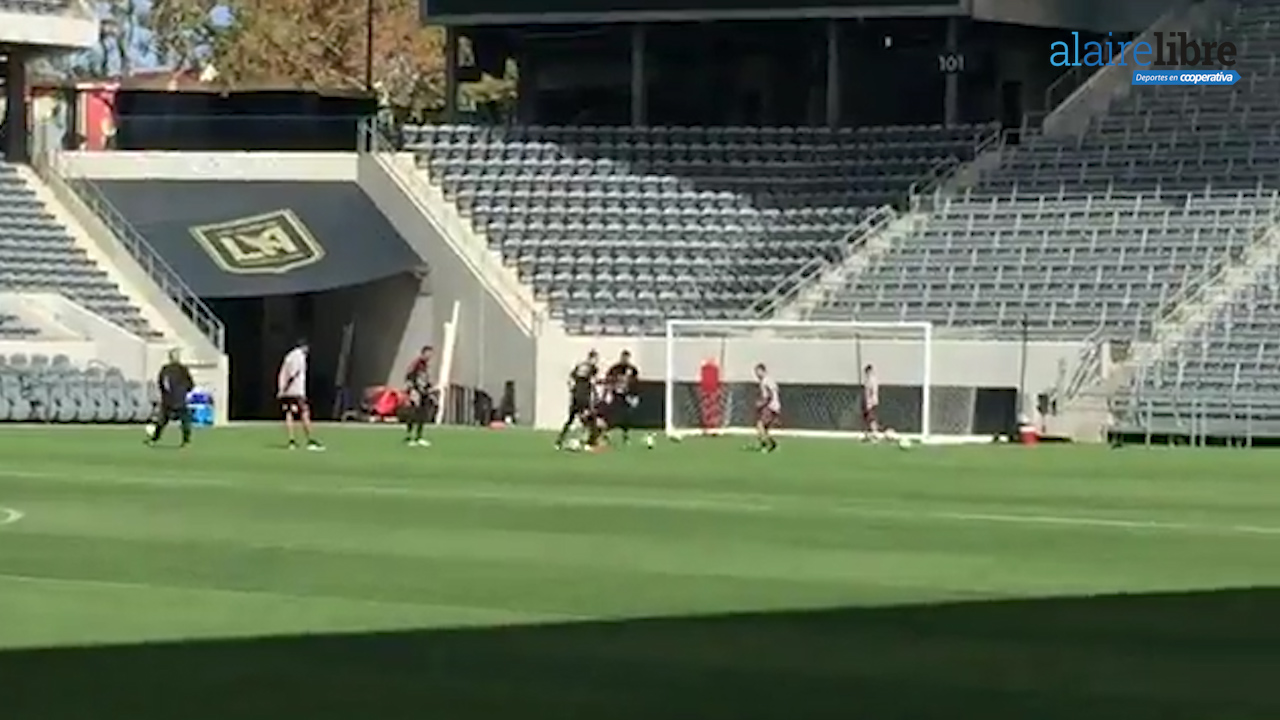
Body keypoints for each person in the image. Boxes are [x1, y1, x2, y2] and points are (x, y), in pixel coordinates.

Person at [278, 340, 324, 451]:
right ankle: (310, 440)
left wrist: (282, 389)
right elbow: (294, 373)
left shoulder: (288, 356)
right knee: (305, 413)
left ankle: (291, 441)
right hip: (297, 390)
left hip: (286, 392)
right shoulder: (300, 357)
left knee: (289, 414)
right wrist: (287, 386)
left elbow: (283, 372)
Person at [147, 348, 195, 447]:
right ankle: (186, 441)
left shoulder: (166, 369)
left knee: (162, 421)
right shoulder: (182, 369)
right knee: (185, 420)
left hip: (168, 400)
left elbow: (162, 384)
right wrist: (184, 391)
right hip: (179, 399)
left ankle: (154, 439)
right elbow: (190, 384)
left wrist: (165, 393)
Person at [555, 350, 599, 449]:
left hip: (575, 395)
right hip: (583, 396)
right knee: (591, 419)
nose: (596, 361)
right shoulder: (592, 368)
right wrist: (595, 395)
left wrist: (572, 390)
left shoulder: (580, 365)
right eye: (595, 359)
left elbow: (570, 379)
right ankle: (589, 443)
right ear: (592, 358)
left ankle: (559, 442)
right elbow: (593, 382)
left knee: (571, 419)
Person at [604, 349, 640, 444]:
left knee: (626, 415)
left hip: (626, 395)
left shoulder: (632, 369)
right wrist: (608, 392)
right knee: (612, 413)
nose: (625, 359)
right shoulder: (615, 368)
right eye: (623, 357)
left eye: (626, 358)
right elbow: (608, 379)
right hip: (616, 394)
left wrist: (634, 396)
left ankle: (625, 434)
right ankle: (607, 432)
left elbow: (635, 383)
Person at [403, 345, 435, 447]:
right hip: (416, 391)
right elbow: (409, 375)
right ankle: (409, 436)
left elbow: (424, 379)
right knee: (414, 412)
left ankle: (419, 436)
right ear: (423, 353)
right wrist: (412, 389)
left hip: (423, 392)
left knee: (422, 414)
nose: (429, 356)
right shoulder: (416, 363)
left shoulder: (425, 365)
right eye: (428, 354)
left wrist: (429, 387)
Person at [753, 363, 780, 453]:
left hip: (770, 406)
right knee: (765, 428)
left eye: (758, 372)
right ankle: (771, 444)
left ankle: (767, 445)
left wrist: (761, 403)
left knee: (760, 425)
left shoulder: (766, 381)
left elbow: (769, 395)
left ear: (763, 371)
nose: (756, 374)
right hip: (774, 406)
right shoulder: (769, 380)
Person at [862, 363, 881, 440]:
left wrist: (870, 402)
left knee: (871, 418)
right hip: (869, 401)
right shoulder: (869, 380)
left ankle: (875, 432)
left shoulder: (871, 380)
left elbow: (872, 392)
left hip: (871, 402)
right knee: (868, 418)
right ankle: (869, 433)